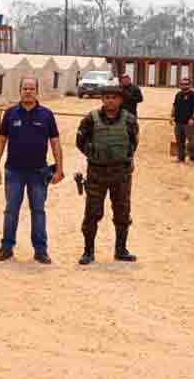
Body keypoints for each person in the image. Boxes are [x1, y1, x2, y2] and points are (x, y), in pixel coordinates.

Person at [0, 77, 64, 264]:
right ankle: (6, 247)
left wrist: (59, 168)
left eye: (32, 88)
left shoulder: (46, 115)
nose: (28, 91)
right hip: (13, 172)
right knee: (11, 211)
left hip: (38, 173)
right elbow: (0, 140)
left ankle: (41, 250)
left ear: (37, 91)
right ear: (20, 90)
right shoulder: (10, 113)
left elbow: (55, 142)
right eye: (25, 88)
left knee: (38, 211)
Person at [76, 85, 140, 265]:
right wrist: (96, 155)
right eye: (107, 97)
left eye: (114, 97)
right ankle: (88, 252)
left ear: (120, 100)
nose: (110, 100)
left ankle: (121, 250)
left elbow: (133, 143)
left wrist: (120, 157)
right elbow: (80, 141)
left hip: (121, 174)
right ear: (102, 99)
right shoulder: (90, 119)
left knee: (122, 212)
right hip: (97, 173)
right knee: (92, 213)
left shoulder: (129, 120)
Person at [171, 77, 194, 163]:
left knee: (191, 142)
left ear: (190, 85)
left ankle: (192, 158)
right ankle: (180, 158)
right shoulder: (178, 94)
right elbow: (174, 106)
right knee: (180, 141)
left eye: (186, 84)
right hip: (178, 122)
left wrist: (193, 118)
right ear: (180, 85)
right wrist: (172, 116)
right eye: (182, 84)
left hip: (189, 123)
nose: (184, 86)